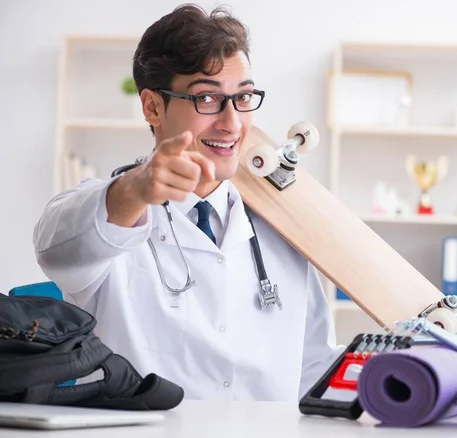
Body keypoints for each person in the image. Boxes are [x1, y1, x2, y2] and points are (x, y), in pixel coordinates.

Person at [33, 3, 345, 401]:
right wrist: (136, 189)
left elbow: (312, 365)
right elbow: (57, 246)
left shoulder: (283, 223)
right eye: (207, 99)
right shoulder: (113, 211)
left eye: (244, 97)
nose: (232, 123)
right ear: (152, 106)